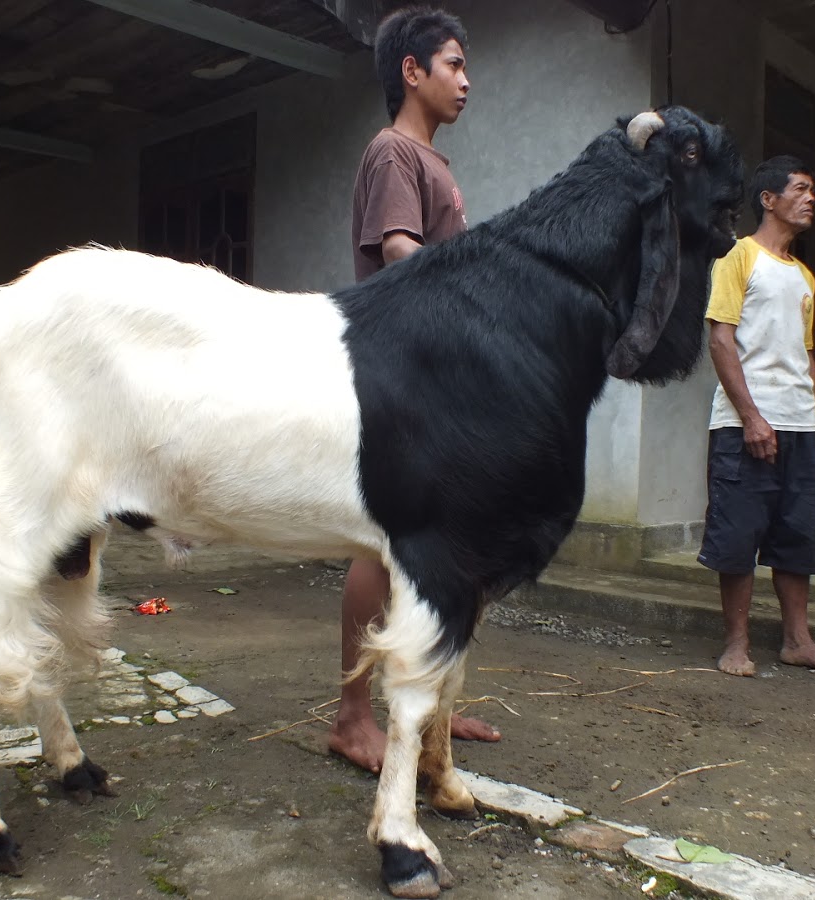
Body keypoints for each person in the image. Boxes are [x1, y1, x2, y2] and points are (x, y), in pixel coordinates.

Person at [329, 5, 499, 773]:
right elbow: (401, 254)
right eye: (454, 64)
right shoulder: (393, 152)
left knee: (442, 549)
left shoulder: (436, 164)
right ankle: (351, 714)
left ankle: (430, 700)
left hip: (440, 380)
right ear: (413, 71)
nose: (466, 80)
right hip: (400, 377)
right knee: (385, 543)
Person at [698, 155, 815, 679]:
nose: (811, 199)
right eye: (801, 189)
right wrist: (752, 418)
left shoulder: (804, 275)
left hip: (801, 429)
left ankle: (797, 641)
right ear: (768, 198)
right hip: (745, 425)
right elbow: (720, 340)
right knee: (738, 536)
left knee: (798, 537)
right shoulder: (737, 257)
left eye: (813, 190)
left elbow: (806, 358)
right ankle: (736, 644)